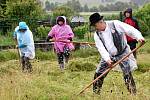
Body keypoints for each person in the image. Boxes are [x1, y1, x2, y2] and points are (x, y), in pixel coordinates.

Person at [89, 13, 145, 95]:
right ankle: (96, 93)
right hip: (109, 55)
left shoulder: (115, 24)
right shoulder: (97, 34)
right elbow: (101, 48)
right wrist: (107, 59)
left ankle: (133, 94)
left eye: (95, 26)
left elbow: (130, 30)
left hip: (123, 53)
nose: (95, 28)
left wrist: (139, 37)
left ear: (100, 22)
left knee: (127, 73)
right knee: (99, 73)